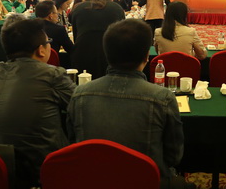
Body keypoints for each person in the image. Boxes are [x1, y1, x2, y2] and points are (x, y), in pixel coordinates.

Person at [67, 19, 188, 186]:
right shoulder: (162, 97)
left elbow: (73, 144)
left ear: (107, 54)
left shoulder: (80, 94)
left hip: (93, 180)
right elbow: (174, 156)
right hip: (146, 181)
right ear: (147, 56)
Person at [0, 19, 75, 189]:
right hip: (36, 173)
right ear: (41, 50)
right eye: (48, 42)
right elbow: (78, 105)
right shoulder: (53, 75)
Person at [70, 0, 125, 78]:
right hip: (110, 53)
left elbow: (76, 34)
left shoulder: (79, 8)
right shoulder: (116, 8)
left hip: (82, 52)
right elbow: (122, 34)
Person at [35, 0, 74, 67]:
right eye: (56, 13)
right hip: (51, 65)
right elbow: (71, 49)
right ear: (51, 15)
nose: (57, 16)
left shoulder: (30, 27)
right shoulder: (59, 29)